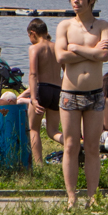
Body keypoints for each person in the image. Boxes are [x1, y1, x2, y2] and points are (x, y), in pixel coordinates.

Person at [55, 0, 108, 208]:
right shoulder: (65, 26)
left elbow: (105, 56)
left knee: (91, 147)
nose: (75, 1)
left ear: (91, 0)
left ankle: (92, 196)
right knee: (70, 145)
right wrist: (93, 52)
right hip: (70, 93)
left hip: (95, 94)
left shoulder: (103, 26)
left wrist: (77, 49)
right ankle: (71, 197)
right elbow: (60, 57)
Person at [26, 18, 63, 164]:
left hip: (42, 89)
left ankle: (39, 163)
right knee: (53, 131)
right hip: (57, 90)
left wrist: (34, 98)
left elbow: (33, 74)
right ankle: (74, 146)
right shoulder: (57, 47)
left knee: (33, 128)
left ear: (33, 33)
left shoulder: (35, 48)